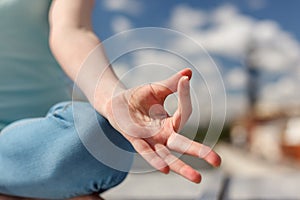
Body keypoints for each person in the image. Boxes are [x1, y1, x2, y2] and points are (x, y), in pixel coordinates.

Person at [0, 0, 221, 199]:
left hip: (48, 138)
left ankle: (27, 184)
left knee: (103, 136)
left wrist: (111, 98)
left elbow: (73, 29)